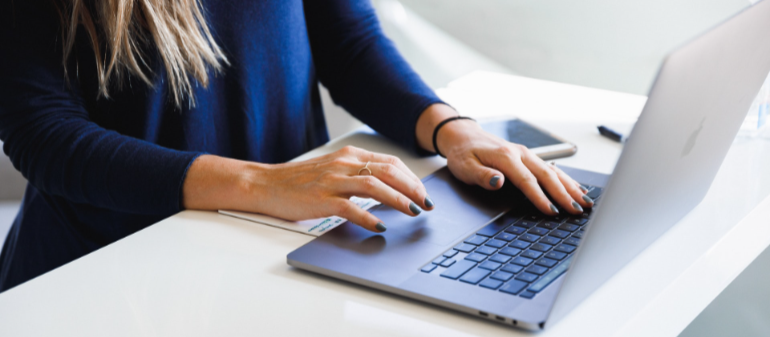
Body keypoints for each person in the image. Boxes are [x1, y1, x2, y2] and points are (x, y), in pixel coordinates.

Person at [0, 0, 593, 292]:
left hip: (281, 243)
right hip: (113, 270)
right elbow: (42, 133)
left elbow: (346, 38)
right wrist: (261, 184)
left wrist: (450, 129)